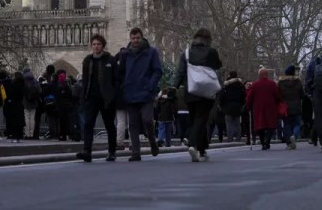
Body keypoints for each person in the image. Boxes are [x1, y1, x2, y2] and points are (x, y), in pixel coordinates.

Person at [174, 28, 223, 162]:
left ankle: (202, 149)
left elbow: (180, 73)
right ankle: (192, 144)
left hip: (190, 90)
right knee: (201, 119)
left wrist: (174, 87)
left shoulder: (187, 53)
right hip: (207, 90)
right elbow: (218, 65)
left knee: (194, 119)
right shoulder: (211, 52)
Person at [118, 27, 163, 161]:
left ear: (141, 37)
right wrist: (123, 86)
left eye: (137, 38)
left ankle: (152, 142)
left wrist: (150, 86)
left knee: (147, 120)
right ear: (130, 39)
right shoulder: (125, 54)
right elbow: (121, 72)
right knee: (133, 124)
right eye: (133, 38)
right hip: (130, 92)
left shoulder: (151, 52)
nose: (135, 41)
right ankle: (136, 152)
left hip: (145, 93)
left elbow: (157, 71)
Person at [76, 34, 119, 162]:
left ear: (103, 45)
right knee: (88, 124)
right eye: (94, 44)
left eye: (98, 44)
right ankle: (87, 150)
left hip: (106, 98)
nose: (96, 46)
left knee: (109, 125)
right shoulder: (87, 60)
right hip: (92, 97)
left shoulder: (110, 60)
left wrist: (113, 95)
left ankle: (112, 151)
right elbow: (85, 80)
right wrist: (84, 96)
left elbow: (116, 79)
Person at [245, 68, 282, 150]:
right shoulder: (272, 84)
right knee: (270, 125)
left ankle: (262, 142)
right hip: (270, 107)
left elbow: (249, 97)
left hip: (258, 108)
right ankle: (267, 141)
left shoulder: (255, 84)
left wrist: (248, 106)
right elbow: (277, 96)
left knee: (260, 125)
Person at [277, 65, 304, 150]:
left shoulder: (281, 83)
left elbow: (278, 95)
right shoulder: (298, 82)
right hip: (296, 106)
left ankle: (289, 142)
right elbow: (302, 94)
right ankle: (294, 136)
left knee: (286, 124)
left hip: (286, 107)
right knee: (297, 124)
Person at [220, 71, 245, 142]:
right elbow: (243, 96)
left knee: (229, 123)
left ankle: (230, 138)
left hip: (228, 106)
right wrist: (241, 105)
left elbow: (222, 97)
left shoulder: (226, 86)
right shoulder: (240, 86)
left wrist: (222, 105)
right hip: (238, 106)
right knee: (237, 123)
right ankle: (238, 138)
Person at [23, 68, 41, 139]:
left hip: (25, 101)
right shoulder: (35, 80)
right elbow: (40, 90)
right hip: (34, 101)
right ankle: (32, 134)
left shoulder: (23, 80)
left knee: (26, 117)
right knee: (32, 118)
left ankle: (27, 134)